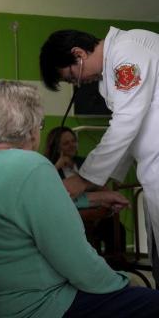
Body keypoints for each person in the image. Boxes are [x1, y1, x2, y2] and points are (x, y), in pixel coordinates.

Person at [0, 80, 159, 318]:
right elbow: (78, 263)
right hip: (38, 304)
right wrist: (124, 281)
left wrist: (93, 199)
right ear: (31, 128)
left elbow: (22, 209)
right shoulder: (32, 167)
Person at [39, 27, 159, 287]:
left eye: (72, 77)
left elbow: (126, 124)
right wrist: (97, 183)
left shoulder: (128, 52)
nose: (79, 84)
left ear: (78, 54)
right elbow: (130, 133)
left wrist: (83, 180)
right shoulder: (110, 77)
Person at [44, 126, 126, 254]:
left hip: (96, 211)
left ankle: (115, 265)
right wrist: (57, 165)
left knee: (115, 227)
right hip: (71, 214)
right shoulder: (48, 167)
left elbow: (101, 185)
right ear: (56, 147)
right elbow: (47, 191)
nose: (72, 145)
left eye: (73, 141)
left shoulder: (85, 162)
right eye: (66, 143)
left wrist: (108, 197)